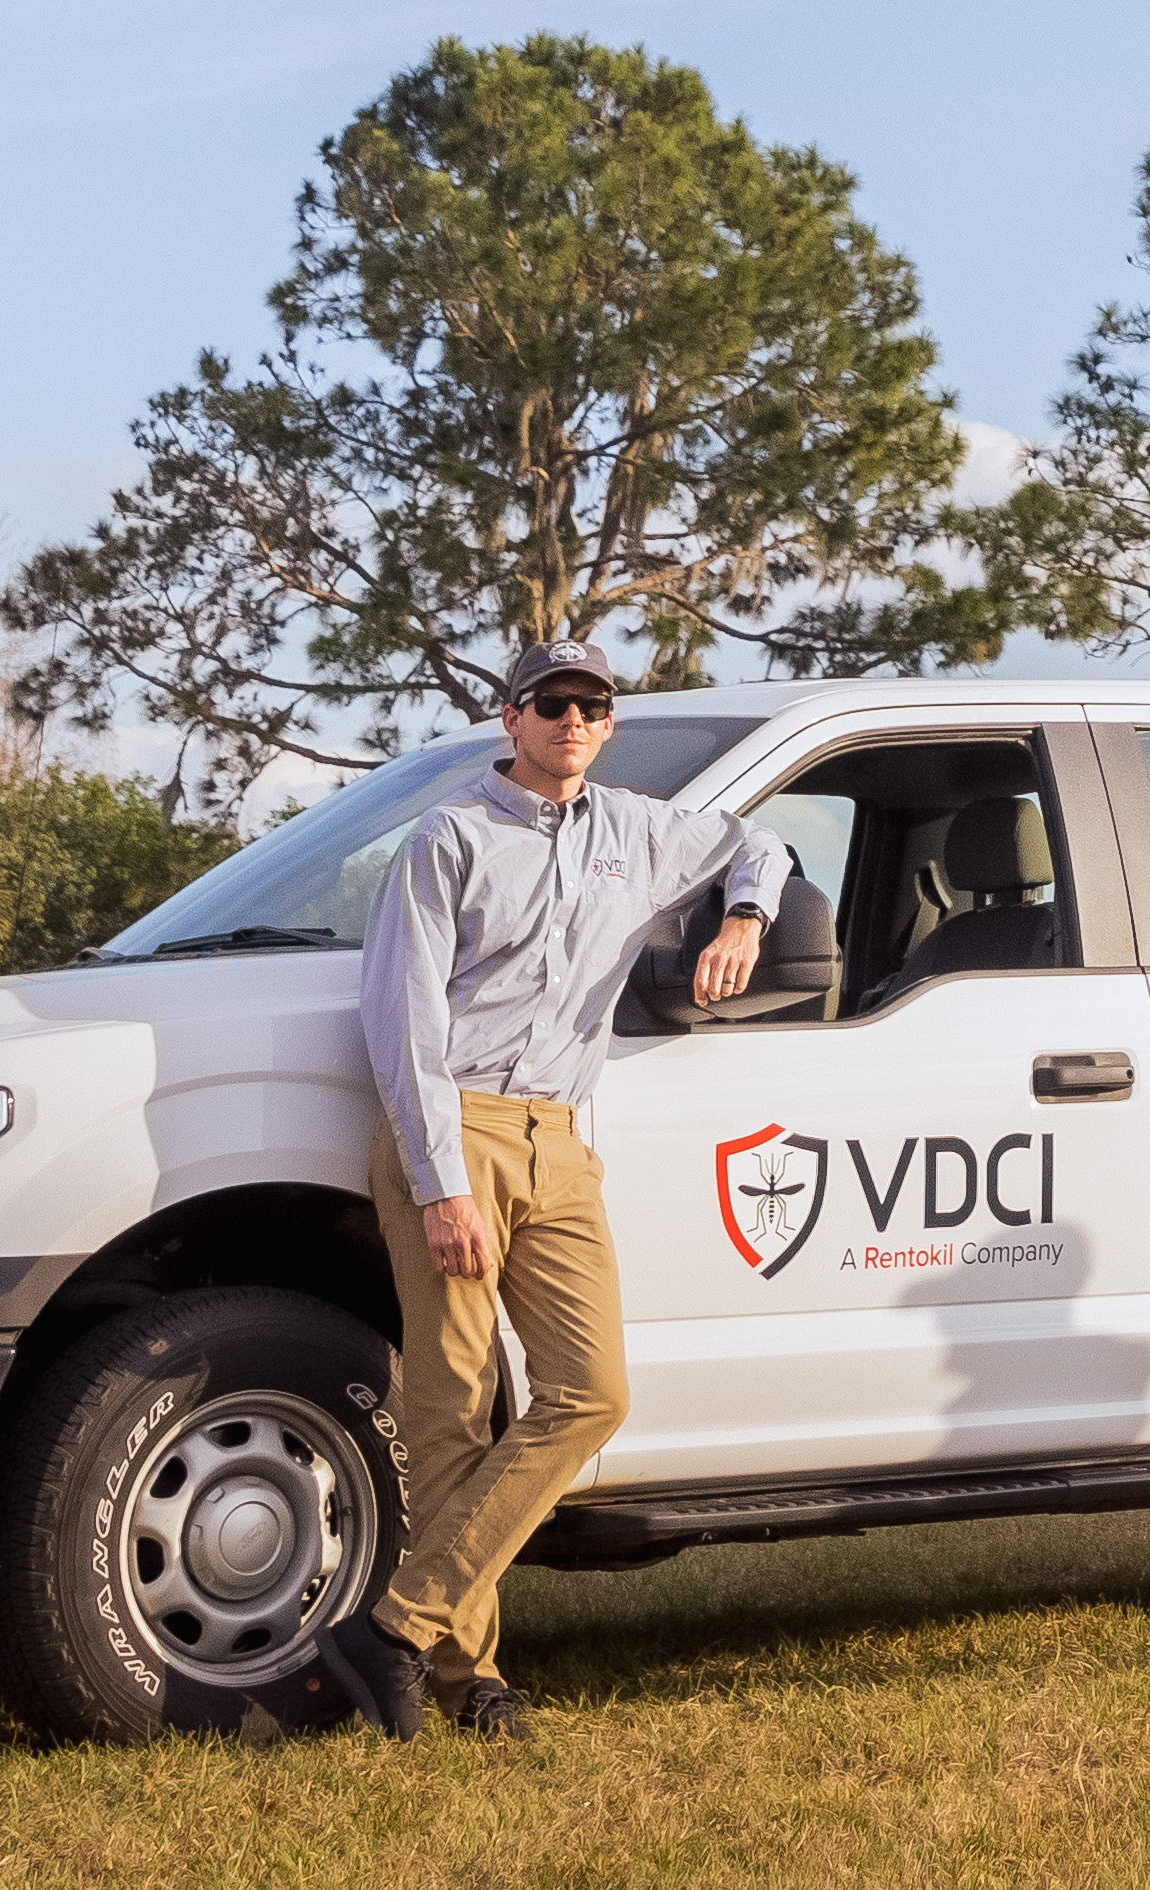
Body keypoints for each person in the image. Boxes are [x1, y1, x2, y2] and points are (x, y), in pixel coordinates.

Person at [341, 635, 791, 1736]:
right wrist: (442, 1184)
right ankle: (466, 1679)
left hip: (559, 1141)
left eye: (591, 704)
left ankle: (394, 1623)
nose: (572, 721)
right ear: (512, 717)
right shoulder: (448, 839)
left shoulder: (634, 831)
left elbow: (758, 841)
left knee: (593, 1393)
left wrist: (742, 918)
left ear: (607, 722)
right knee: (450, 1410)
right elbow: (401, 1021)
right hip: (454, 1132)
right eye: (551, 702)